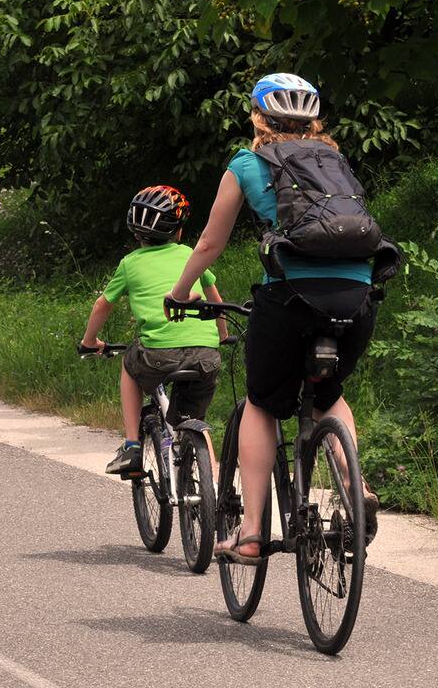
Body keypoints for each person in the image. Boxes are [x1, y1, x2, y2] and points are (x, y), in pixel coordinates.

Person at [165, 73, 382, 563]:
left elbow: (210, 243)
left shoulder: (247, 163)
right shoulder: (334, 161)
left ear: (258, 118)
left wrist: (180, 293)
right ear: (313, 122)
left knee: (261, 404)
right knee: (329, 393)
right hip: (357, 295)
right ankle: (356, 486)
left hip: (289, 298)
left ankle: (250, 534)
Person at [80, 185, 229, 476]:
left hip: (158, 355)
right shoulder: (190, 255)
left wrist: (90, 341)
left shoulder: (130, 263)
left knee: (130, 364)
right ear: (179, 231)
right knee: (194, 419)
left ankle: (132, 446)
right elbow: (216, 300)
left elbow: (102, 305)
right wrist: (222, 336)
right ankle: (212, 484)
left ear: (136, 234)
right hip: (206, 355)